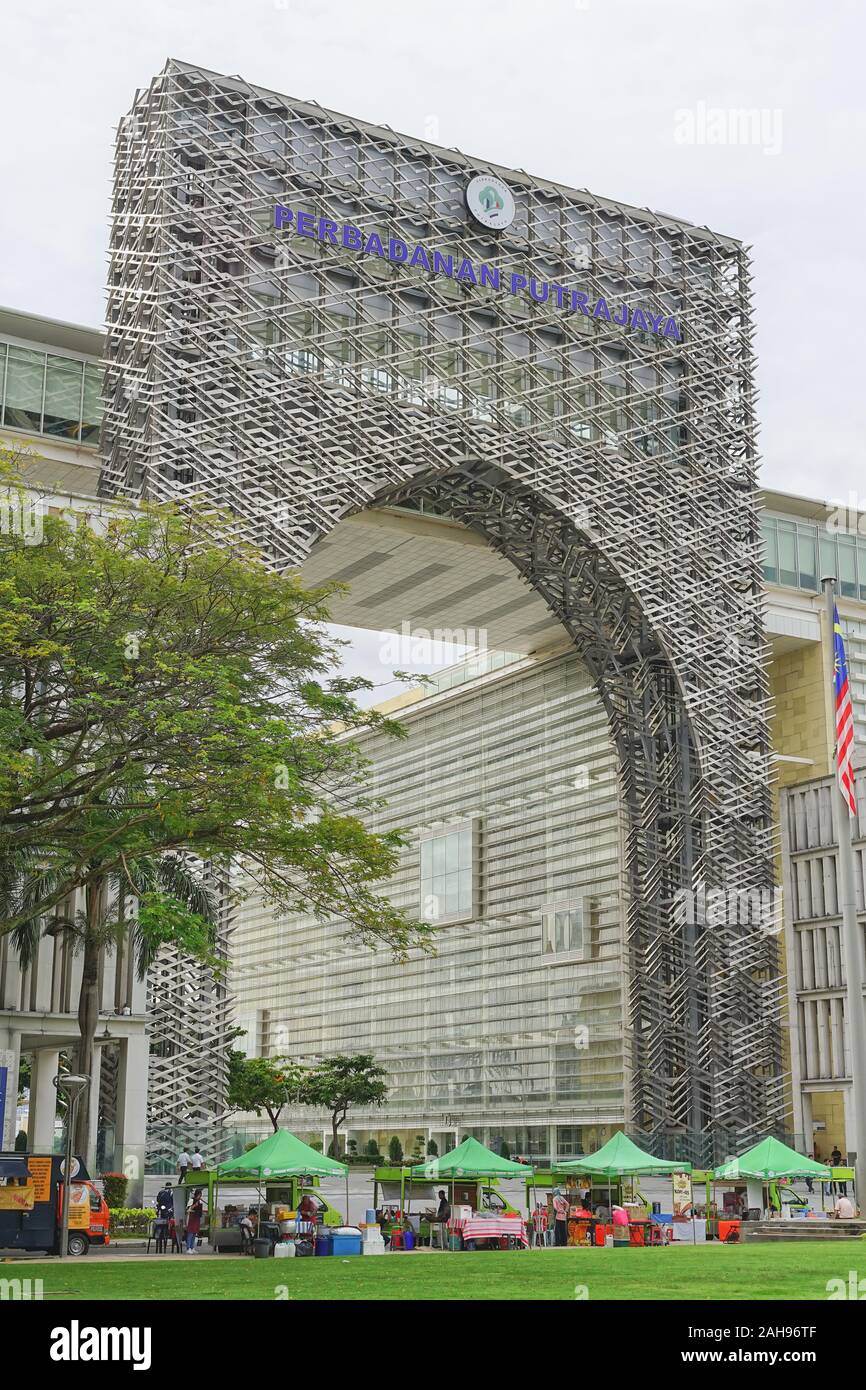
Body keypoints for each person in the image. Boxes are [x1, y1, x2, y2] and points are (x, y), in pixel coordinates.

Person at [185, 1188, 204, 1253]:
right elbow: (187, 1210)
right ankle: (188, 1248)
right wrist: (194, 1206)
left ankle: (192, 1247)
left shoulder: (199, 1201)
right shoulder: (191, 1200)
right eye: (199, 1195)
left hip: (197, 1217)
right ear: (197, 1194)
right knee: (190, 1233)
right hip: (191, 1217)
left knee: (194, 1233)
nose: (200, 1197)